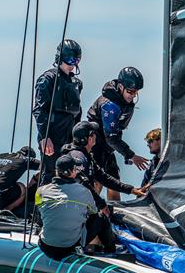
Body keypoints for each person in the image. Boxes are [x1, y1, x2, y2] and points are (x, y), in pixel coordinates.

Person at [86, 67, 149, 201]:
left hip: (108, 147)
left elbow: (116, 134)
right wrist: (131, 155)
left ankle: (114, 216)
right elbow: (111, 138)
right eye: (130, 91)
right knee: (98, 181)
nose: (132, 95)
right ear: (120, 86)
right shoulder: (110, 105)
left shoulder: (124, 101)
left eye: (136, 92)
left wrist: (124, 153)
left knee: (115, 182)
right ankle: (89, 216)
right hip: (96, 145)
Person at [61, 121, 145, 214]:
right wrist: (101, 204)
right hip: (73, 212)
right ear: (89, 139)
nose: (96, 136)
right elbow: (83, 185)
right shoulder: (78, 158)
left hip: (78, 208)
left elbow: (104, 178)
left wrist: (131, 189)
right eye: (94, 134)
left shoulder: (85, 155)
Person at [33, 39, 83, 185]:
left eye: (76, 60)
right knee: (50, 173)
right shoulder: (48, 79)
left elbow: (77, 112)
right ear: (60, 58)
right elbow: (39, 109)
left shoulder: (76, 84)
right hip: (52, 135)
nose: (72, 64)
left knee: (72, 174)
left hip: (69, 135)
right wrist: (45, 136)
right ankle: (41, 207)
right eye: (69, 59)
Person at [35, 154, 100, 260]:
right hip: (69, 248)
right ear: (72, 171)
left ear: (56, 171)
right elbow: (93, 212)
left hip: (46, 246)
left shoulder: (40, 190)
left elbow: (39, 212)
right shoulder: (84, 191)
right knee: (100, 218)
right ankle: (110, 251)